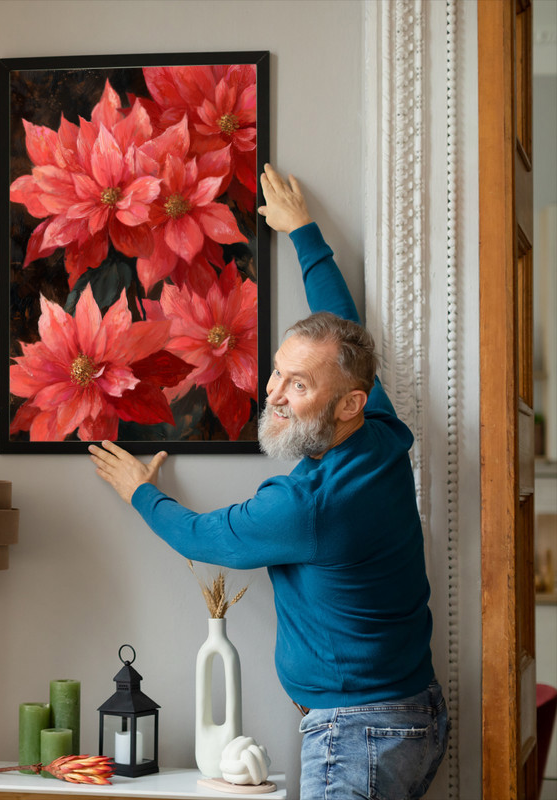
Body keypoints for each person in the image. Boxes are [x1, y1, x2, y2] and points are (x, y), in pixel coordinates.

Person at [89, 164, 449, 799]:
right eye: (279, 373)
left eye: (297, 386)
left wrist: (139, 491)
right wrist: (304, 232)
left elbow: (205, 537)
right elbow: (342, 331)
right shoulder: (382, 437)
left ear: (347, 405)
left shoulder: (306, 506)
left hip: (358, 737)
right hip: (409, 717)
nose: (274, 395)